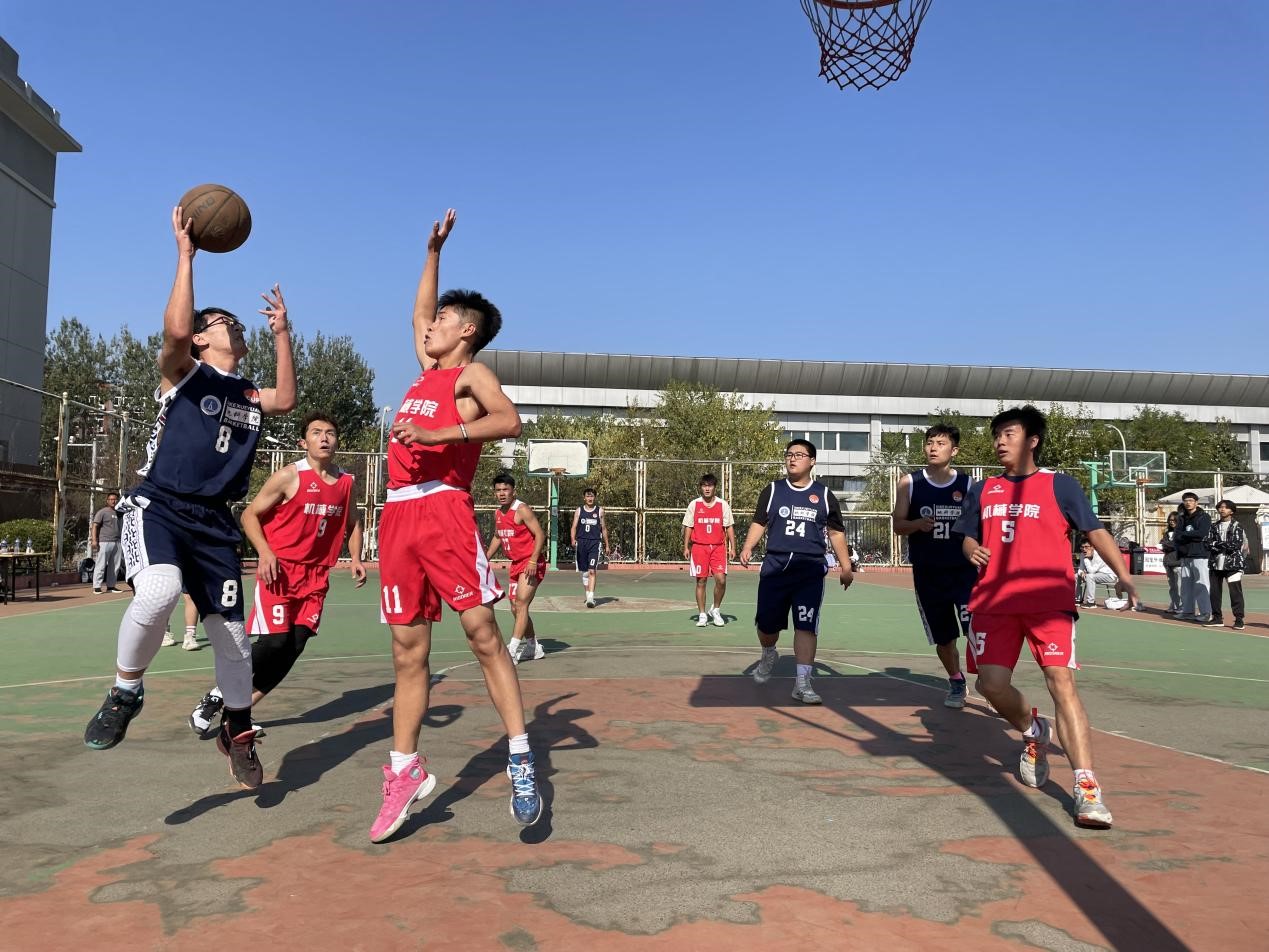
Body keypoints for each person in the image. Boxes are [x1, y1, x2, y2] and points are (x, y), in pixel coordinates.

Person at [83, 206, 296, 794]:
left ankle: (239, 731)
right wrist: (186, 256)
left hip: (214, 522)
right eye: (227, 322)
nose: (238, 328)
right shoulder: (184, 372)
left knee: (234, 639)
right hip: (160, 505)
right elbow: (176, 333)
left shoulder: (249, 393)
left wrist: (282, 333)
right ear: (203, 337)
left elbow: (285, 398)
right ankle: (125, 691)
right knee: (157, 590)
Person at [372, 208, 541, 843]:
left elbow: (509, 420)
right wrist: (432, 254)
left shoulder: (471, 375)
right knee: (406, 651)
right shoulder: (427, 371)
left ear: (465, 330)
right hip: (399, 514)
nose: (429, 325)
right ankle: (403, 770)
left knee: (482, 635)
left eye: (442, 320)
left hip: (443, 508)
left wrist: (440, 433)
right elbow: (418, 312)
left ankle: (520, 757)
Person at [954, 405, 1134, 829]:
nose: (1000, 441)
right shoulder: (984, 488)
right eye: (997, 434)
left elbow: (1095, 531)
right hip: (994, 601)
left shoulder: (1060, 485)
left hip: (1048, 601)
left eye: (1009, 434)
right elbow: (966, 537)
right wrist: (972, 549)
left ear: (1032, 440)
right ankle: (1033, 730)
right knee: (990, 685)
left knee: (1061, 682)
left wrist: (1123, 575)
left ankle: (1086, 786)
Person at [188, 411, 367, 735]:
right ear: (303, 442)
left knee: (294, 647)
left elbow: (353, 523)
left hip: (315, 576)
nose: (324, 438)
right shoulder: (289, 476)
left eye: (330, 432)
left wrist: (355, 557)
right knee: (274, 643)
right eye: (316, 432)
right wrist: (265, 552)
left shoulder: (346, 483)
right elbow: (249, 516)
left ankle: (238, 712)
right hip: (280, 571)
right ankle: (216, 696)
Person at [739, 439, 854, 704]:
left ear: (812, 461)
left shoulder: (824, 495)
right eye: (789, 454)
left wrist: (846, 566)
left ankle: (802, 683)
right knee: (766, 625)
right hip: (775, 568)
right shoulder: (773, 490)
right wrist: (747, 546)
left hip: (809, 569)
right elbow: (760, 521)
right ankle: (769, 651)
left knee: (806, 625)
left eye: (799, 455)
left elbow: (836, 532)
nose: (792, 458)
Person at [891, 424, 976, 709]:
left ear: (954, 450)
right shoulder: (910, 483)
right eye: (930, 443)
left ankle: (990, 682)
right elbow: (898, 525)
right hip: (928, 573)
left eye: (941, 443)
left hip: (965, 573)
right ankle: (956, 680)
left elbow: (979, 527)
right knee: (944, 637)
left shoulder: (968, 485)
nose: (933, 448)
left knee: (976, 631)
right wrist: (916, 524)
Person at [486, 471, 548, 664]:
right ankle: (533, 646)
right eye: (498, 490)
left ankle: (511, 650)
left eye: (505, 489)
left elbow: (540, 534)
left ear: (514, 491)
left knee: (521, 604)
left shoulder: (522, 509)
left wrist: (533, 561)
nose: (502, 493)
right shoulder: (498, 513)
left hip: (531, 563)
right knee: (515, 608)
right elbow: (498, 536)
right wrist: (485, 558)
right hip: (516, 564)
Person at [682, 473, 736, 627]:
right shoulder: (694, 505)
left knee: (721, 579)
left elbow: (729, 527)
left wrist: (733, 547)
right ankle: (702, 615)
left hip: (718, 548)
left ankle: (715, 610)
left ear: (714, 487)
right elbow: (688, 526)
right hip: (699, 547)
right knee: (701, 581)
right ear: (700, 487)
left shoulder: (722, 505)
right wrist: (686, 546)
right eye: (704, 486)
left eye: (710, 486)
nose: (707, 488)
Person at [1205, 499, 1247, 631]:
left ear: (1232, 511)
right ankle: (1217, 618)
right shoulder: (1213, 526)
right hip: (1215, 564)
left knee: (1235, 593)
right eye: (1220, 507)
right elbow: (1207, 543)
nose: (1222, 509)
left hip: (1233, 565)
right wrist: (1221, 545)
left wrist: (1216, 544)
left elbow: (1235, 545)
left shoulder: (1237, 526)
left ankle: (1239, 619)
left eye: (1226, 507)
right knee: (1214, 592)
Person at [1174, 491, 1213, 623]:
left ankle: (1206, 612)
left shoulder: (1204, 516)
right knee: (1185, 585)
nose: (1188, 503)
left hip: (1200, 554)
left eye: (1191, 500)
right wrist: (1186, 535)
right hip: (1185, 554)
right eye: (1186, 500)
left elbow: (1202, 533)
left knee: (1201, 583)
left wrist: (1184, 534)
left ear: (1196, 502)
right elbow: (1176, 535)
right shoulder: (1182, 517)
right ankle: (1187, 611)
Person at [571, 488, 609, 608]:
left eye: (592, 496)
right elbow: (574, 527)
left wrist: (607, 544)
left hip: (594, 543)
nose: (590, 498)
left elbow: (603, 528)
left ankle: (591, 598)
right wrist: (573, 539)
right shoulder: (579, 511)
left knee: (592, 570)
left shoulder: (600, 511)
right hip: (581, 543)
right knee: (585, 572)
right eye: (588, 496)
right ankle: (588, 595)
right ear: (584, 498)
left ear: (595, 497)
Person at [1076, 540, 1131, 608]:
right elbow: (1080, 569)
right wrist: (1081, 573)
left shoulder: (1099, 555)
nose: (1084, 549)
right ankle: (1078, 599)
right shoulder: (1082, 554)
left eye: (1086, 547)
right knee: (1076, 576)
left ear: (1092, 547)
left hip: (1109, 576)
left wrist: (1086, 559)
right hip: (1095, 574)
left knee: (1090, 576)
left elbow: (1091, 571)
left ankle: (1091, 602)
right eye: (1082, 547)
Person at [90, 492, 123, 593]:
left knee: (115, 566)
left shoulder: (120, 512)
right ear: (107, 501)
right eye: (111, 499)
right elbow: (95, 526)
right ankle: (97, 587)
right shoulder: (102, 512)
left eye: (115, 499)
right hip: (104, 542)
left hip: (117, 542)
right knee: (101, 564)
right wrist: (94, 540)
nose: (113, 501)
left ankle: (111, 586)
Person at [1160, 511, 1182, 614]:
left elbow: (1176, 545)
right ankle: (1174, 605)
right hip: (1168, 562)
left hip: (1178, 562)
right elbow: (1161, 543)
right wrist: (1167, 544)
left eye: (1174, 520)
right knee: (1172, 587)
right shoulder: (1167, 533)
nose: (1171, 522)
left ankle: (1182, 606)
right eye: (1170, 520)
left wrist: (1166, 545)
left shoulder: (1182, 532)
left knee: (1180, 587)